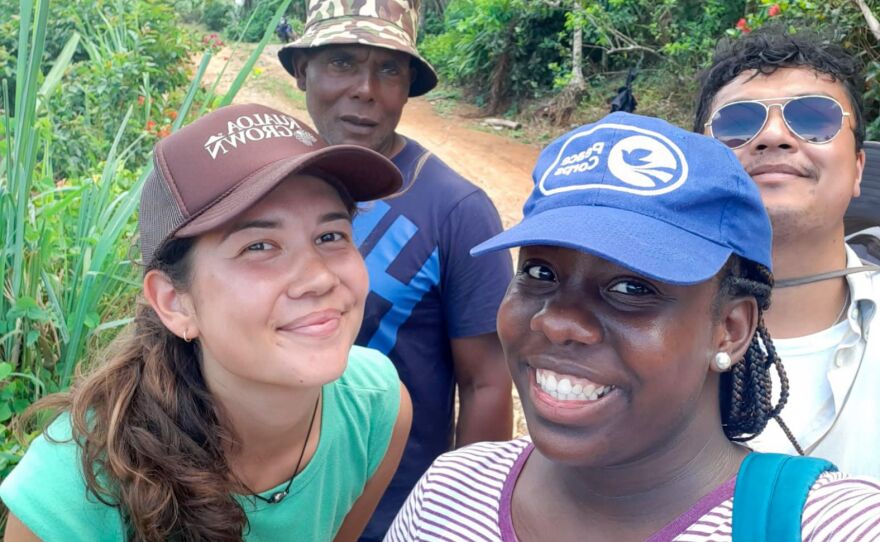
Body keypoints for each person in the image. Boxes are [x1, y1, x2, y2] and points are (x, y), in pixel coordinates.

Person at [386, 112, 880, 541]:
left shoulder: (833, 527)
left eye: (630, 288)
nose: (556, 321)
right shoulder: (448, 492)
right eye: (540, 273)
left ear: (730, 328)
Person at [0, 104, 412, 541]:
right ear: (175, 302)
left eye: (330, 236)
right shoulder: (72, 493)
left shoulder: (376, 409)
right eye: (259, 246)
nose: (320, 278)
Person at [277, 1, 514, 538]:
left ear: (408, 86)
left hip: (393, 514)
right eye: (341, 61)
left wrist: (459, 521)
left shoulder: (456, 210)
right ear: (302, 71)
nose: (366, 89)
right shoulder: (270, 179)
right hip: (269, 506)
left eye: (388, 69)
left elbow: (486, 381)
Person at [694, 26, 880, 476]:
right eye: (737, 123)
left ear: (858, 168)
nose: (774, 135)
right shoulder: (635, 325)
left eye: (814, 119)